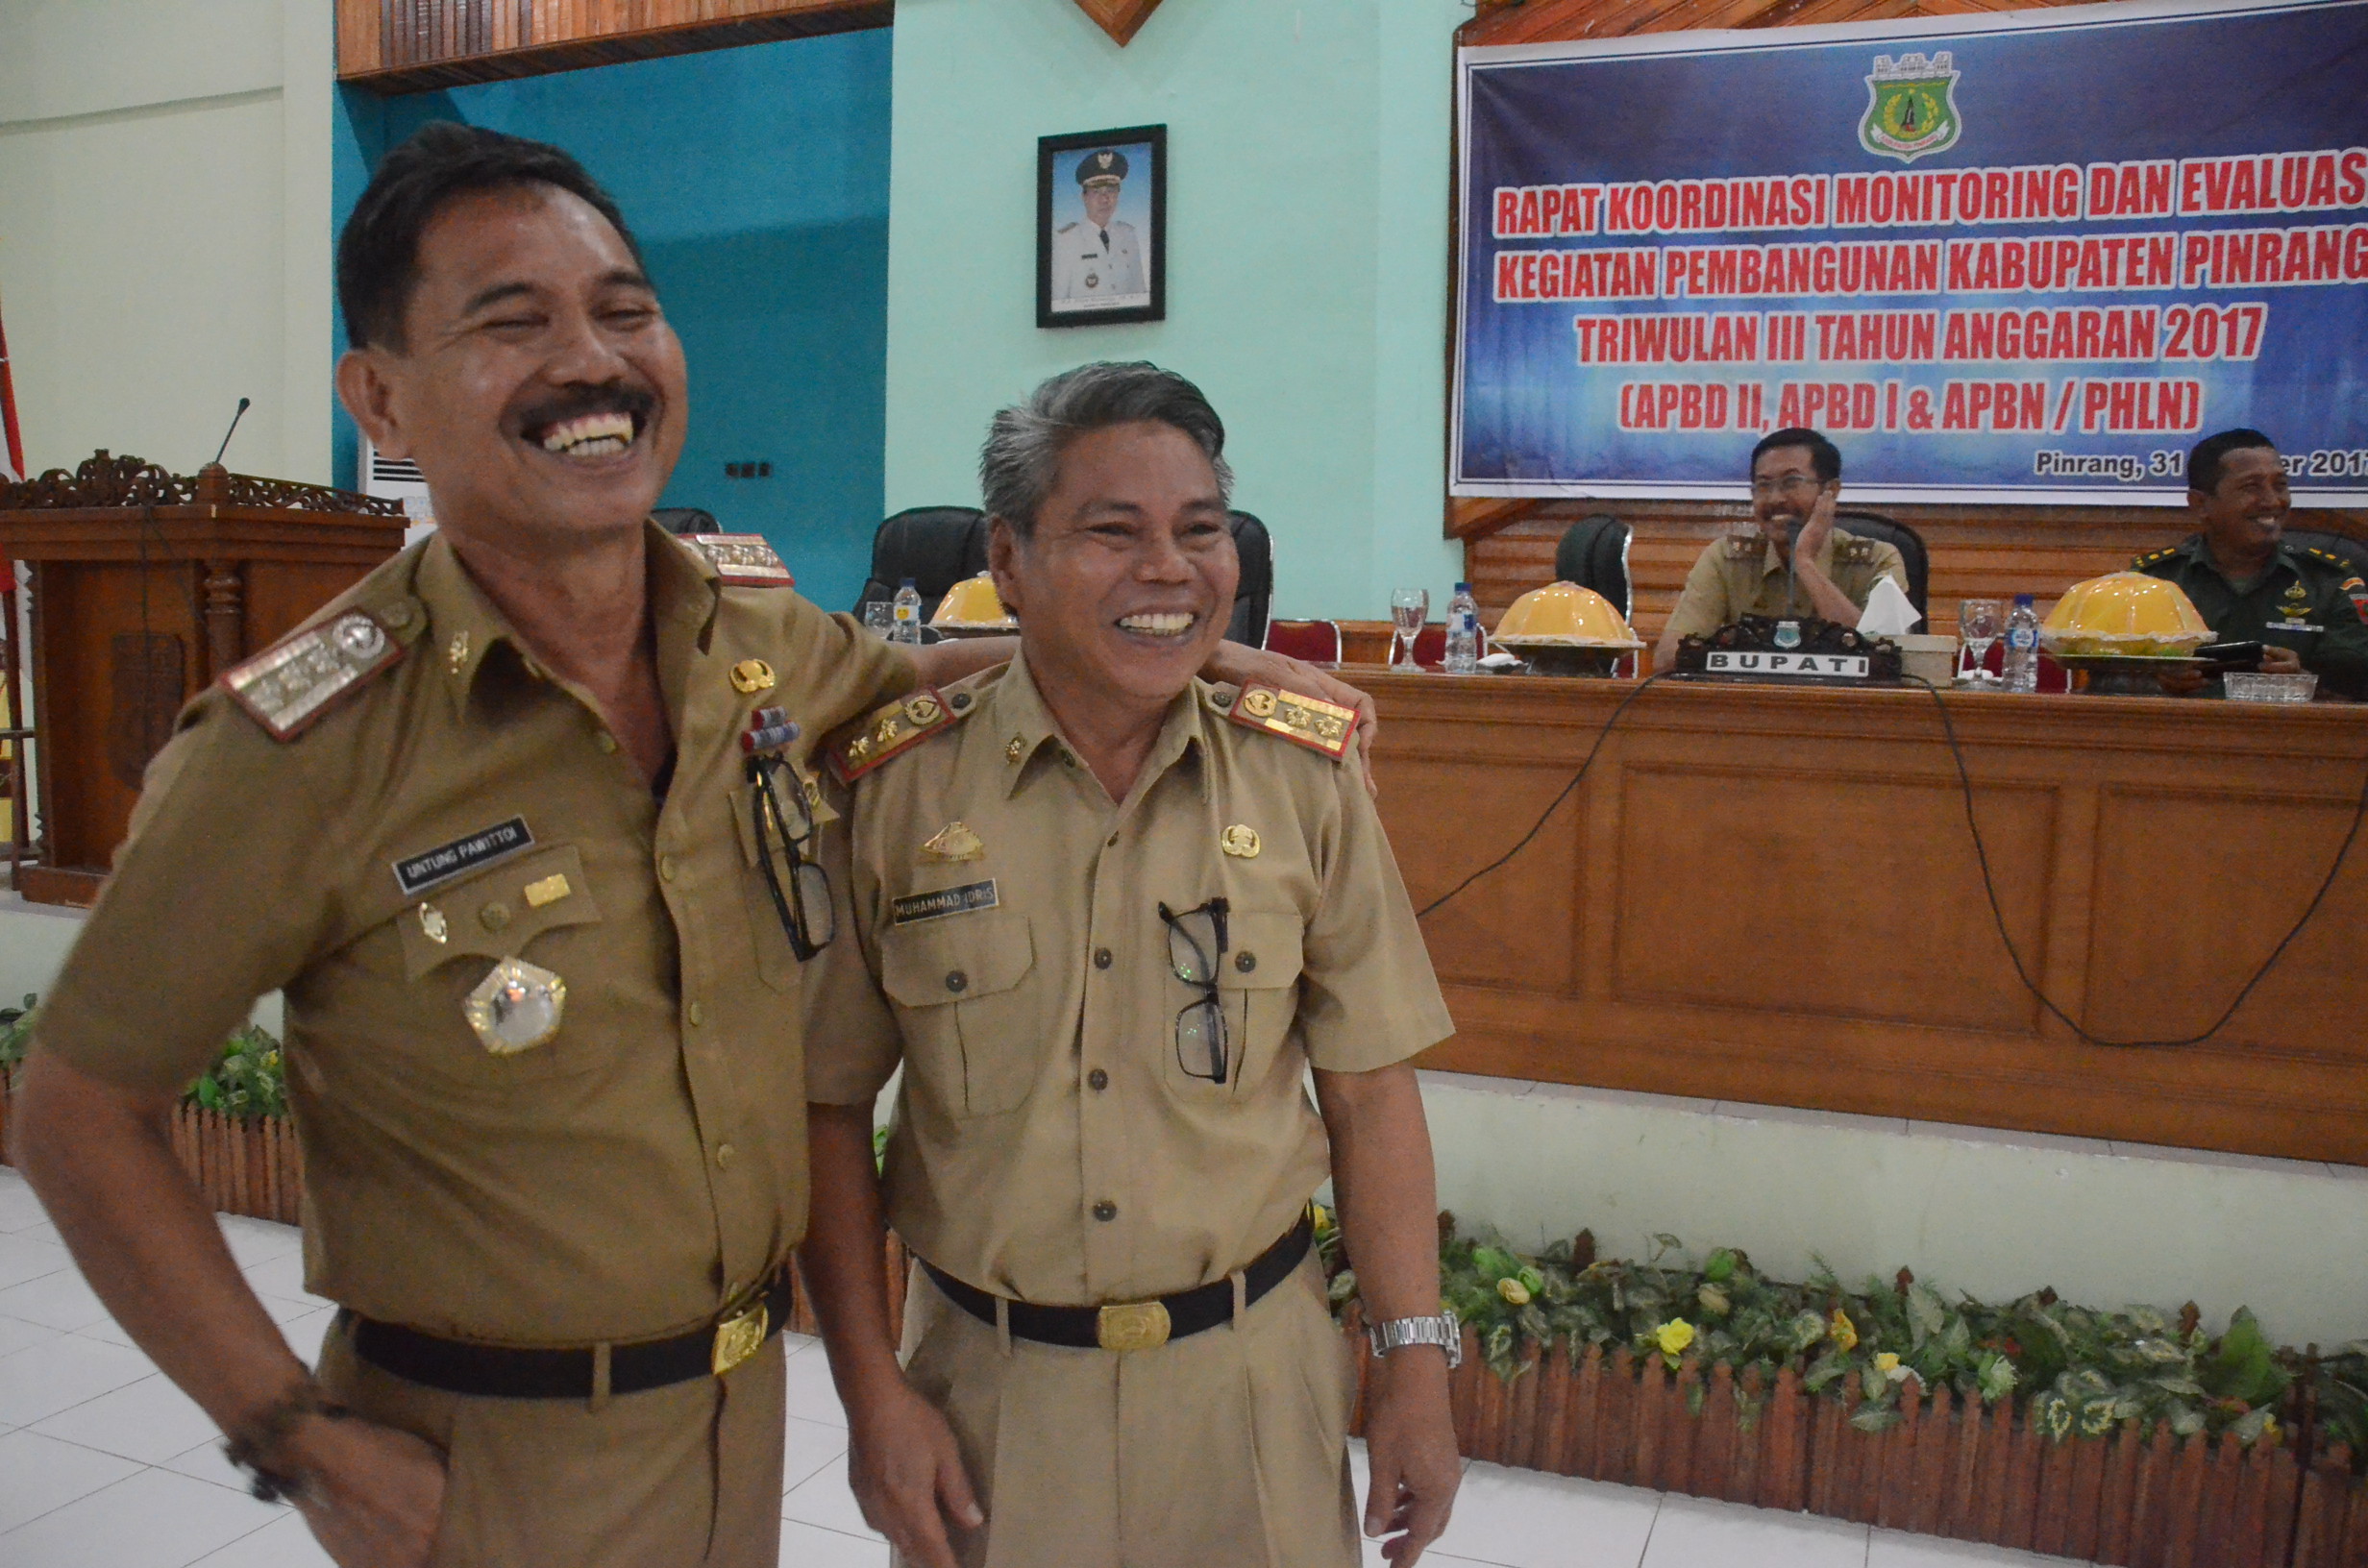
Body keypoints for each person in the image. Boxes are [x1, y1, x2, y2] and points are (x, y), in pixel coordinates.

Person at [10, 127, 1362, 1568]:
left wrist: (1185, 656)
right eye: (511, 320)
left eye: (624, 309)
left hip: (732, 1421)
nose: (589, 360)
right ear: (380, 397)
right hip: (485, 1463)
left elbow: (931, 673)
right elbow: (79, 1111)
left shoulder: (751, 646)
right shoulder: (305, 749)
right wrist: (286, 1431)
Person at [796, 362, 1463, 1568]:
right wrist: (867, 1395)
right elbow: (828, 1111)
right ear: (1006, 559)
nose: (1171, 570)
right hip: (988, 1404)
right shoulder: (893, 790)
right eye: (1116, 533)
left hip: (1252, 1394)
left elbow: (1370, 1094)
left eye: (1200, 532)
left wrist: (1415, 1362)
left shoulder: (1303, 779)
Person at [2138, 429, 2368, 698]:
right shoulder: (2152, 583)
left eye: (2280, 485)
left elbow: (2357, 682)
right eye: (2251, 487)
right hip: (2181, 736)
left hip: (2292, 735)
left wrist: (2303, 684)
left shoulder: (2330, 581)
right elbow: (2110, 679)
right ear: (2200, 504)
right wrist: (2157, 682)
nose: (2272, 501)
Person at [1654, 428, 1909, 668]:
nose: (1775, 499)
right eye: (1763, 485)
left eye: (1791, 483)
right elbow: (1667, 658)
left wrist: (1806, 563)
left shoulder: (1877, 560)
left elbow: (1886, 661)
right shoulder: (1726, 559)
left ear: (1830, 491)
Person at [1049, 148, 1147, 306]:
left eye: (1111, 191)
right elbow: (1057, 302)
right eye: (1096, 192)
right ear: (1084, 197)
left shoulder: (1128, 234)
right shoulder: (1065, 239)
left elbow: (1140, 294)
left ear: (1118, 194)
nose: (1105, 199)